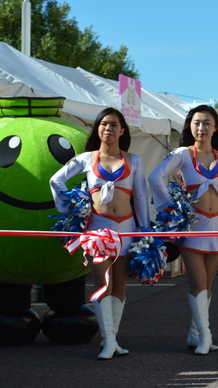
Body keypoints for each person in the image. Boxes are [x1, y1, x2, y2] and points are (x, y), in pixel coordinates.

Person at [50, 107, 149, 360]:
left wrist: (145, 232)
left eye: (114, 124)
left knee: (120, 286)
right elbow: (56, 180)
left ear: (122, 130)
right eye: (104, 124)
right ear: (98, 129)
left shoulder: (134, 161)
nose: (108, 128)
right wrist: (71, 210)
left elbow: (141, 197)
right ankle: (109, 341)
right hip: (97, 230)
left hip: (126, 229)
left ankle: (111, 339)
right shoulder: (86, 158)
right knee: (103, 283)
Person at [148, 105, 218, 355]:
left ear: (215, 127)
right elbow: (155, 177)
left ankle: (195, 334)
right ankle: (206, 336)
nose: (201, 128)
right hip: (193, 226)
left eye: (207, 123)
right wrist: (171, 208)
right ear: (190, 126)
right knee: (198, 281)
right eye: (196, 123)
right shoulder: (183, 154)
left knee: (208, 283)